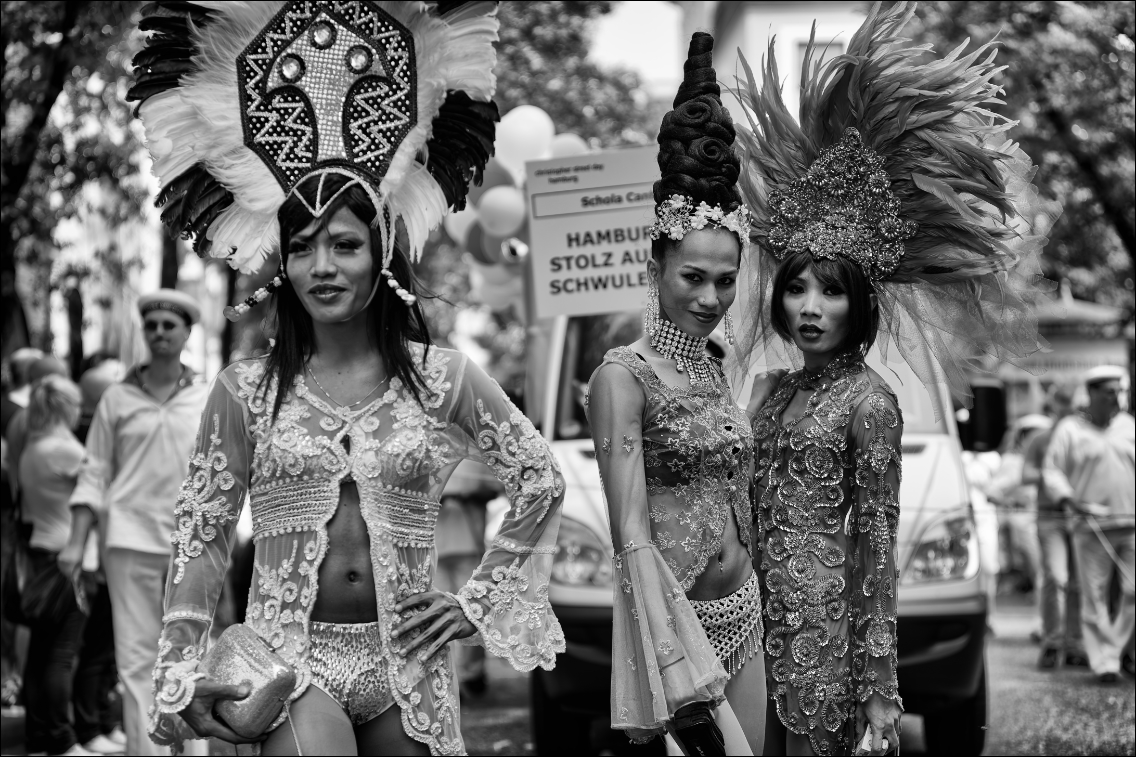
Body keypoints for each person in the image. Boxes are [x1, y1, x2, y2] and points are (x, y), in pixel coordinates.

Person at [130, 3, 565, 754]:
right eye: (303, 247)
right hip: (288, 669)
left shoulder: (444, 379)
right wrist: (178, 671)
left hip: (412, 666)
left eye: (345, 244)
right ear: (283, 265)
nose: (323, 265)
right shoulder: (245, 390)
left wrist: (478, 602)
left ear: (379, 255)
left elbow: (540, 477)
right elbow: (201, 538)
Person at [733, 4, 1052, 752]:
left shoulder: (871, 401)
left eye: (831, 290)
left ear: (860, 303)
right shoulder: (768, 392)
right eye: (798, 288)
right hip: (748, 631)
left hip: (822, 643)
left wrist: (881, 694)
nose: (810, 307)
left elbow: (876, 547)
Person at [587, 33, 766, 756]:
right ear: (656, 263)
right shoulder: (620, 378)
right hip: (674, 627)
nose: (711, 296)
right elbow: (630, 537)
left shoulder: (718, 367)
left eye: (726, 279)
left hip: (744, 611)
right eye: (693, 275)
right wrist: (670, 667)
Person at [57, 289, 209, 757]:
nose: (160, 332)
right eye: (152, 326)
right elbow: (94, 471)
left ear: (187, 332)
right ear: (144, 332)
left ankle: (194, 751)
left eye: (170, 325)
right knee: (138, 658)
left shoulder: (208, 395)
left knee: (189, 654)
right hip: (127, 539)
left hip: (193, 542)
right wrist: (76, 544)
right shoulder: (117, 398)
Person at [1044, 365, 1135, 683]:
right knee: (1093, 595)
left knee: (1132, 591)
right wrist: (1069, 499)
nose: (1117, 398)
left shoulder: (1129, 426)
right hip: (1090, 526)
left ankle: (1120, 650)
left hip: (1130, 523)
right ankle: (1105, 662)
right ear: (1093, 394)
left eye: (1121, 391)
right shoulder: (1070, 429)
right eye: (1110, 392)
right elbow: (1052, 471)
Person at [17, 375, 91, 756]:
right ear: (65, 406)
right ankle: (62, 741)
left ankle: (37, 739)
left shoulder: (33, 449)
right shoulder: (63, 450)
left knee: (40, 656)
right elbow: (101, 484)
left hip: (39, 558)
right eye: (76, 404)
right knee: (61, 655)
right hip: (66, 561)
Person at [1023, 384, 1086, 669]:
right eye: (1061, 403)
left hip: (1080, 516)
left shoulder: (1082, 437)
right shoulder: (1041, 439)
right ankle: (1052, 641)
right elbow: (1026, 474)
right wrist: (1053, 476)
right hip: (1050, 516)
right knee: (1056, 577)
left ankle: (1076, 644)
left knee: (1077, 583)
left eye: (1070, 404)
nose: (1066, 409)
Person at [433, 460, 503, 696]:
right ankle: (447, 675)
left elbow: (495, 488)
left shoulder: (474, 450)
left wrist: (467, 495)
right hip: (435, 546)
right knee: (439, 612)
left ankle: (472, 674)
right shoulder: (428, 446)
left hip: (468, 543)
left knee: (473, 609)